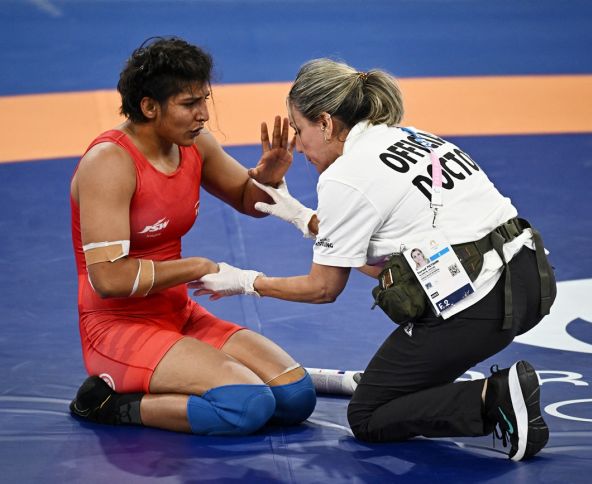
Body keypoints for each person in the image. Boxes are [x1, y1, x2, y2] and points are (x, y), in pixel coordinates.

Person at [190, 58, 557, 460]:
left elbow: (324, 288)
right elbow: (376, 260)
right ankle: (452, 385)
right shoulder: (413, 137)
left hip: (479, 305)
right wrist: (293, 211)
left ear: (326, 123)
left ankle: (495, 396)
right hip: (531, 279)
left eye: (300, 129)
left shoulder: (345, 176)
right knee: (395, 376)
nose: (297, 144)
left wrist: (243, 281)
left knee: (368, 415)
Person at [67, 37, 316, 436]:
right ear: (149, 106)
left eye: (204, 100)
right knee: (246, 406)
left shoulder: (195, 143)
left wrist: (269, 177)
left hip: (177, 314)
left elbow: (247, 199)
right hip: (117, 327)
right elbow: (108, 279)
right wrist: (197, 267)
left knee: (295, 397)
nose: (203, 115)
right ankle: (110, 404)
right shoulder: (110, 164)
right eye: (189, 104)